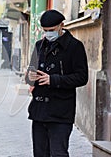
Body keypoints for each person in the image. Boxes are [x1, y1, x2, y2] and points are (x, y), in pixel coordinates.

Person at [25, 9, 88, 157]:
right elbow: (31, 71)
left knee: (58, 153)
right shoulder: (39, 45)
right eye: (45, 31)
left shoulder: (74, 46)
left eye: (51, 30)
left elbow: (82, 77)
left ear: (61, 25)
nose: (48, 34)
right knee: (40, 154)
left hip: (61, 111)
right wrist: (30, 78)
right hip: (39, 111)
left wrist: (53, 80)